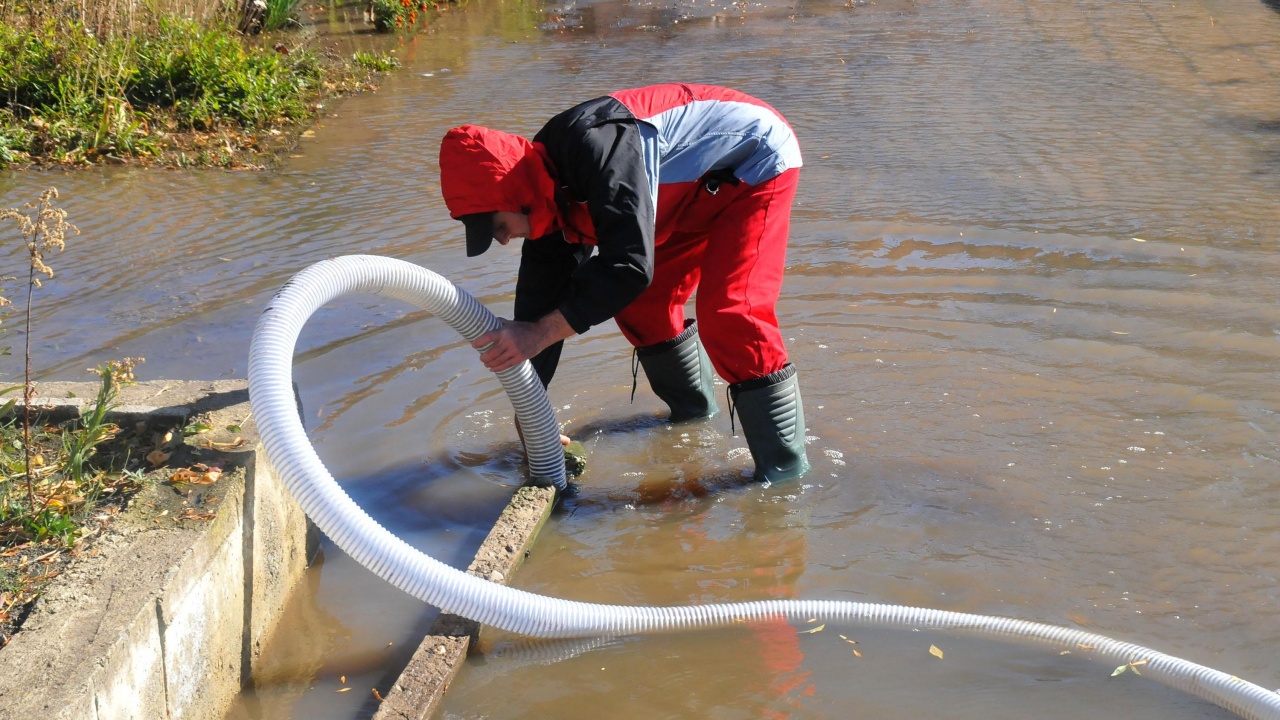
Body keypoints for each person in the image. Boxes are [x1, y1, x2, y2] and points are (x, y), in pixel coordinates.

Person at [437, 83, 809, 483]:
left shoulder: (598, 151)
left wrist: (541, 333)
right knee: (643, 307)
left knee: (731, 314)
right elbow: (537, 313)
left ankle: (783, 475)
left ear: (514, 196)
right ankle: (692, 418)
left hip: (751, 161)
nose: (504, 239)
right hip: (687, 191)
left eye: (498, 226)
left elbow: (629, 267)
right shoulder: (543, 197)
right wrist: (531, 417)